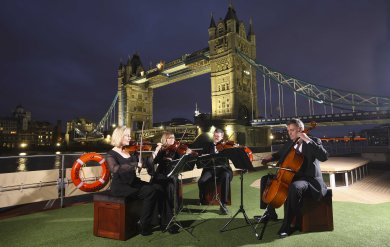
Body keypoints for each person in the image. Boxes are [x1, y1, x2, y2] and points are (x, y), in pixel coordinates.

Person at [259, 118, 328, 238]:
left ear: (300, 130)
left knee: (294, 187)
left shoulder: (314, 141)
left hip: (308, 179)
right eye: (288, 130)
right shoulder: (290, 143)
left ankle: (287, 225)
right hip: (292, 176)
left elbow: (324, 156)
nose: (289, 133)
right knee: (265, 179)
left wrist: (307, 139)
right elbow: (279, 154)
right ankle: (270, 213)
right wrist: (268, 159)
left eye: (292, 130)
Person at [106, 126, 159, 236]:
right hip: (121, 186)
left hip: (133, 182)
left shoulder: (132, 151)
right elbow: (115, 168)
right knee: (149, 191)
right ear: (119, 136)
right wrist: (135, 164)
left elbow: (144, 163)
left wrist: (155, 152)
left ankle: (151, 220)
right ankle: (143, 223)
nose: (130, 138)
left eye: (130, 135)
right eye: (127, 135)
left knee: (155, 187)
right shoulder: (111, 154)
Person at [151, 131, 192, 234]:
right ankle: (166, 220)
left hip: (171, 176)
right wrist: (158, 151)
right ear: (165, 139)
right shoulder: (162, 149)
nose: (172, 140)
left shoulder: (176, 149)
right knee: (167, 188)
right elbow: (154, 162)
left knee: (171, 187)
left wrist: (187, 155)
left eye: (173, 138)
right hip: (160, 176)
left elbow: (182, 162)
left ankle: (167, 219)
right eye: (169, 138)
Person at [197, 128, 233, 215]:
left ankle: (223, 204)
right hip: (210, 169)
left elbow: (231, 156)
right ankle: (202, 198)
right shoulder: (207, 145)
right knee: (201, 181)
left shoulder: (226, 146)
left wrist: (231, 149)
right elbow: (201, 157)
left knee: (225, 176)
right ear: (213, 135)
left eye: (218, 136)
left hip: (223, 169)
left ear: (222, 137)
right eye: (215, 136)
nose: (216, 138)